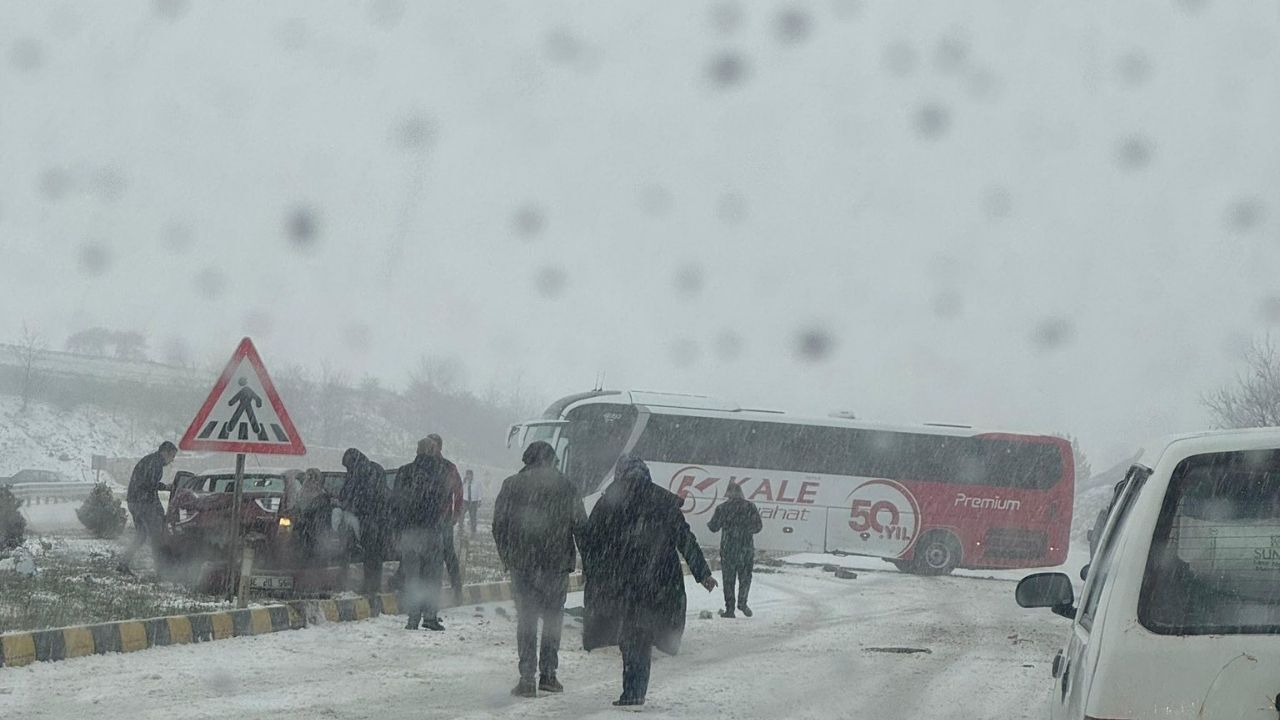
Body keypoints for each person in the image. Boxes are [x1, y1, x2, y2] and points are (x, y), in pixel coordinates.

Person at [581, 455, 717, 707]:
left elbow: (591, 540)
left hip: (619, 580)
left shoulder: (610, 500)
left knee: (628, 634)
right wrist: (703, 573)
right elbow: (685, 538)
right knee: (640, 634)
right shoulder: (662, 501)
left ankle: (632, 690)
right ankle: (635, 690)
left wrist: (592, 571)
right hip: (658, 580)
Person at [492, 441, 586, 698]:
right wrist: (587, 564)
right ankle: (548, 675)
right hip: (555, 566)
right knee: (553, 619)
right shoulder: (566, 486)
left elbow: (498, 525)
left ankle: (526, 679)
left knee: (527, 620)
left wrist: (507, 556)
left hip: (522, 565)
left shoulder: (512, 485)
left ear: (527, 459)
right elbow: (582, 527)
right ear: (552, 459)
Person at [393, 438, 452, 631]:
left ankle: (412, 619)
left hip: (409, 532)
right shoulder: (441, 472)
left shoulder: (404, 471)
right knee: (432, 577)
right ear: (434, 450)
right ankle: (430, 616)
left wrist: (399, 529)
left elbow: (396, 503)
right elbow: (444, 501)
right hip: (432, 531)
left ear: (417, 451)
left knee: (412, 577)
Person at [118, 441, 178, 575]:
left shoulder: (150, 460)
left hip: (134, 501)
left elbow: (146, 485)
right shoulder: (155, 463)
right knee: (157, 534)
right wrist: (166, 487)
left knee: (141, 535)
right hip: (142, 503)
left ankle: (124, 562)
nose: (172, 460)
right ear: (165, 452)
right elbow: (149, 485)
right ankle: (162, 569)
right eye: (172, 456)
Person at [706, 482, 763, 618]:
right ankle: (742, 603)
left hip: (728, 549)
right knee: (745, 578)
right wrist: (745, 530)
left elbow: (714, 527)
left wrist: (715, 524)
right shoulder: (750, 507)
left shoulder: (722, 508)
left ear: (728, 494)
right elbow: (758, 527)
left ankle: (730, 609)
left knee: (728, 579)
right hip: (746, 549)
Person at [340, 449, 390, 595]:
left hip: (366, 517)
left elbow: (349, 493)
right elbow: (382, 493)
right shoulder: (377, 469)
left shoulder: (357, 472)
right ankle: (374, 585)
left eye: (347, 465)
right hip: (380, 518)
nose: (347, 468)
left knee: (369, 553)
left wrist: (347, 503)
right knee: (376, 554)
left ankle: (369, 586)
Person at [424, 434, 465, 605]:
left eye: (432, 445)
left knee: (448, 553)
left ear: (439, 447)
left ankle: (457, 590)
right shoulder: (422, 465)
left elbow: (459, 492)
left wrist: (455, 514)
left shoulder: (449, 467)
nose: (429, 448)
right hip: (424, 518)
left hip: (443, 518)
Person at [463, 469, 482, 536]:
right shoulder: (464, 482)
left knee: (473, 516)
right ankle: (460, 527)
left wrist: (479, 500)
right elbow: (460, 489)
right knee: (461, 514)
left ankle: (473, 530)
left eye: (469, 475)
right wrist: (463, 482)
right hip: (465, 500)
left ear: (472, 475)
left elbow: (479, 492)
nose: (468, 476)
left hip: (474, 501)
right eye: (467, 475)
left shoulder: (477, 482)